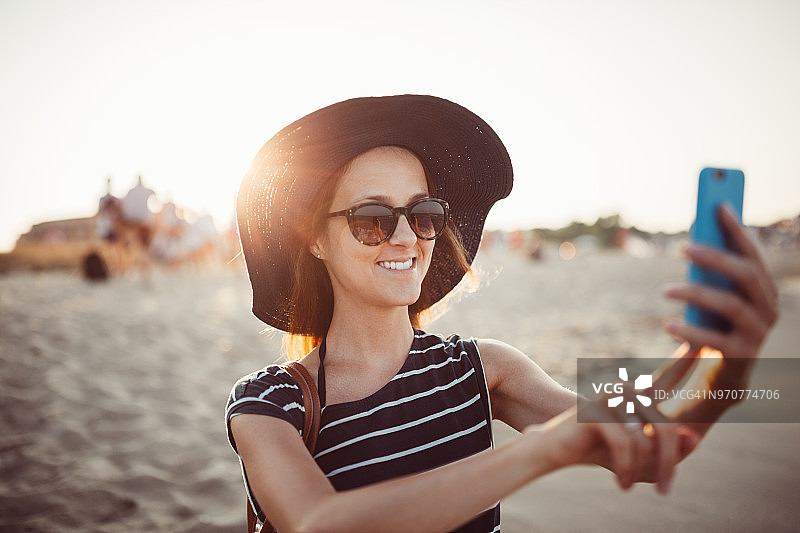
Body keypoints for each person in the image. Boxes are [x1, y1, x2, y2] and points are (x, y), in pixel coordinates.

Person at [226, 95, 778, 533]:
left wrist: (724, 363)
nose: (405, 237)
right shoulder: (270, 404)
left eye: (423, 213)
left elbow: (651, 435)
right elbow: (321, 523)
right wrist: (540, 451)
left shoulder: (483, 369)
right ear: (316, 239)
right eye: (372, 217)